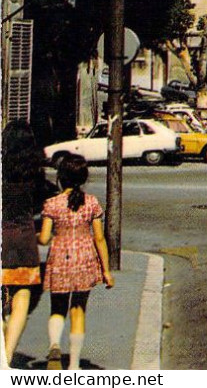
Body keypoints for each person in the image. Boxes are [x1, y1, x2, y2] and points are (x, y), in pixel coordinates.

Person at [38, 154, 114, 370]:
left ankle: (54, 345)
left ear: (60, 177)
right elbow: (99, 238)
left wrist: (35, 237)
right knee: (78, 309)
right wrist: (106, 271)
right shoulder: (91, 203)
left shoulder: (52, 204)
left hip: (60, 257)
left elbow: (44, 239)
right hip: (85, 258)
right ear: (83, 178)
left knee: (57, 307)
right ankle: (73, 365)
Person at [1, 121, 46, 367]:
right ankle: (6, 359)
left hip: (2, 238)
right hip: (25, 240)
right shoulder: (34, 173)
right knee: (22, 297)